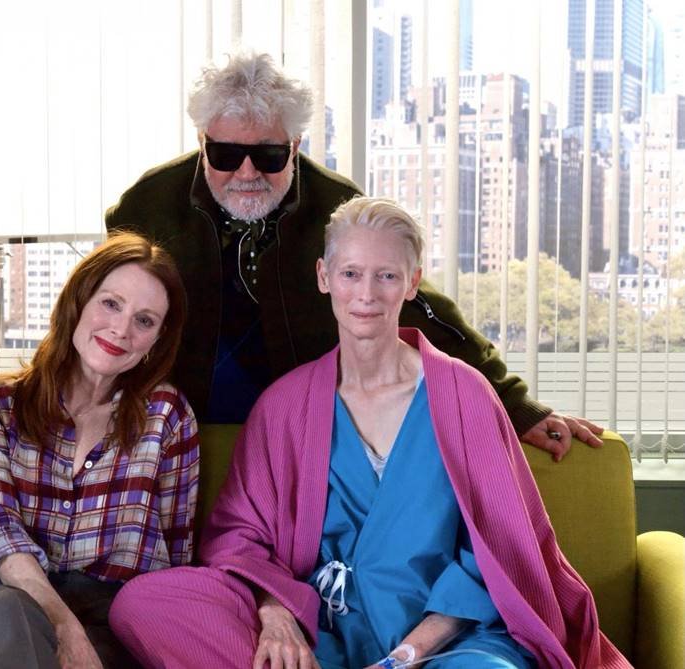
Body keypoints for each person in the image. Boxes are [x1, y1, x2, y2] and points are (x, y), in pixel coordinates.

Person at [108, 198, 628, 669]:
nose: (366, 295)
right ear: (323, 276)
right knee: (146, 603)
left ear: (413, 281)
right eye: (351, 273)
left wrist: (406, 656)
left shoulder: (465, 395)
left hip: (447, 644)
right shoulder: (285, 405)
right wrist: (276, 614)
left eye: (386, 276)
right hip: (322, 639)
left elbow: (498, 551)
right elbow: (240, 538)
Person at [104, 50, 601, 461]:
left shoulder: (334, 204)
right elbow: (97, 310)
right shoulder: (147, 205)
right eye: (227, 155)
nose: (247, 172)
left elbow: (412, 303)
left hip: (302, 433)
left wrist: (517, 406)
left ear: (295, 146)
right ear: (202, 143)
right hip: (175, 432)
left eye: (270, 155)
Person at [0, 231, 199, 669]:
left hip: (112, 624)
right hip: (0, 610)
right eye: (110, 303)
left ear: (157, 340)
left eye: (144, 320)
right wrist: (65, 629)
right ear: (78, 301)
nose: (120, 329)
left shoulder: (168, 417)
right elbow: (0, 534)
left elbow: (176, 559)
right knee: (7, 615)